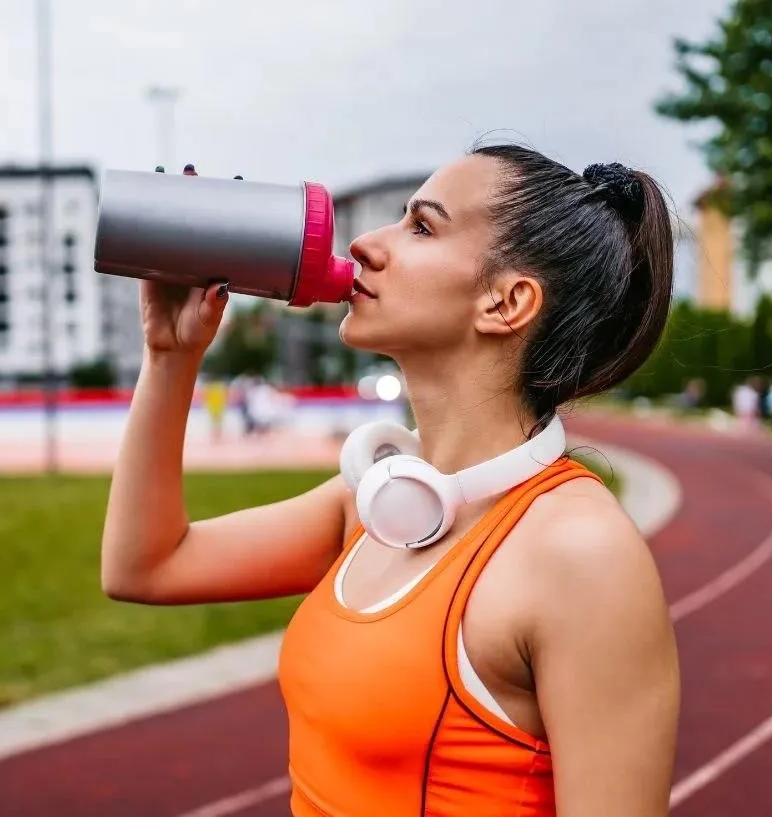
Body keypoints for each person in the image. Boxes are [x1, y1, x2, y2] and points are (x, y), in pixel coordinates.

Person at [101, 144, 680, 816]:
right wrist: (170, 356)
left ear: (506, 301)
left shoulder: (579, 554)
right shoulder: (375, 506)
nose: (369, 244)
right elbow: (145, 565)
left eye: (422, 227)